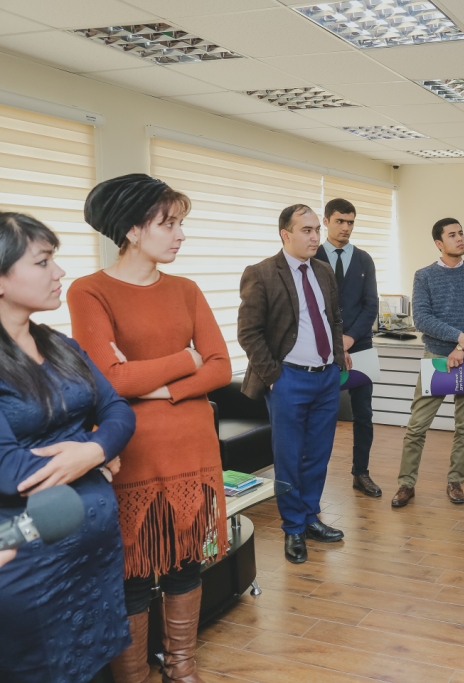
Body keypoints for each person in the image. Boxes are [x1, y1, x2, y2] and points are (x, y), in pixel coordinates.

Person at [68, 174, 232, 683]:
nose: (180, 234)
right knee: (134, 572)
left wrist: (158, 388)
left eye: (180, 223)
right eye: (169, 223)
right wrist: (185, 360)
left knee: (186, 563)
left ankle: (182, 669)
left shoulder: (186, 289)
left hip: (194, 448)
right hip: (134, 452)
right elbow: (109, 379)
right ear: (133, 230)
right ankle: (134, 676)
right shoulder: (89, 290)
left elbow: (221, 366)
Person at [0, 212, 136, 683]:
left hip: (93, 556)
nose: (58, 272)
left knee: (96, 670)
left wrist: (93, 452)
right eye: (42, 262)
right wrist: (95, 451)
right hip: (29, 555)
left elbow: (119, 411)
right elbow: (10, 468)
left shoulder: (61, 345)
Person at [237, 204, 350, 565]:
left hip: (326, 378)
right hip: (288, 379)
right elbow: (249, 333)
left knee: (318, 454)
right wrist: (274, 377)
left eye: (317, 229)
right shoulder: (261, 273)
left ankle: (311, 517)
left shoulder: (323, 271)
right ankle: (293, 529)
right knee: (288, 458)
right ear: (286, 234)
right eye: (307, 230)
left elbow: (333, 319)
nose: (316, 237)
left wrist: (337, 358)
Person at [391, 218, 464, 508]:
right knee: (417, 426)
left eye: (461, 233)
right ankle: (406, 483)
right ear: (439, 243)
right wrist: (459, 338)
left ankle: (455, 481)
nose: (460, 238)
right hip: (437, 360)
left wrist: (462, 347)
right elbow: (422, 319)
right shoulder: (424, 276)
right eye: (452, 235)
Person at [314, 197, 381, 497]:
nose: (346, 227)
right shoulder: (312, 256)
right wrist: (334, 342)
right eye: (340, 221)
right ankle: (315, 477)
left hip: (360, 345)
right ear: (326, 221)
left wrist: (350, 338)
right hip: (321, 348)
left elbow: (371, 306)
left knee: (363, 413)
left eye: (350, 222)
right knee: (322, 415)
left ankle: (361, 473)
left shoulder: (364, 259)